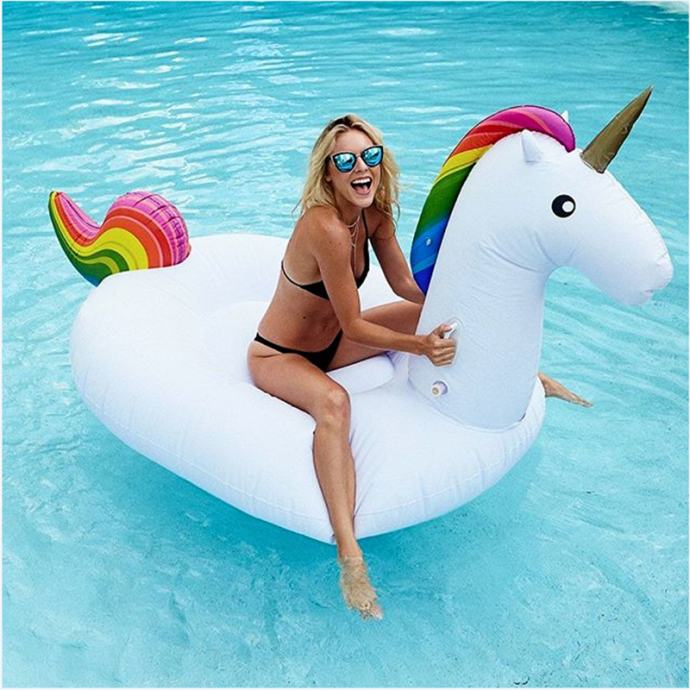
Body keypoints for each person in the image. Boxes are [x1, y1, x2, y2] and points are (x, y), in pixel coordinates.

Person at [246, 114, 590, 621]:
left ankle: (527, 376)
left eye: (370, 156)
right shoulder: (323, 227)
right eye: (346, 160)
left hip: (333, 343)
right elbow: (355, 323)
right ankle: (349, 556)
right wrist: (421, 347)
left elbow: (408, 288)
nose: (361, 168)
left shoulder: (374, 216)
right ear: (328, 174)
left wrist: (465, 302)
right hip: (280, 354)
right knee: (334, 403)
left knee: (431, 313)